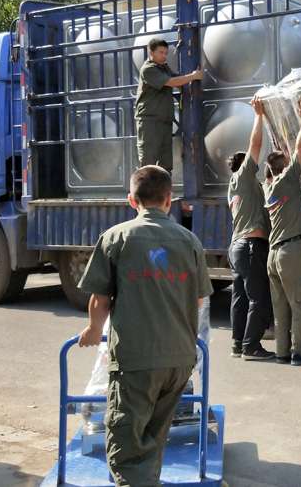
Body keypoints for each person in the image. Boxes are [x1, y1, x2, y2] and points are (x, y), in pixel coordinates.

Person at [76, 165, 212, 487]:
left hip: (136, 361)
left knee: (126, 444)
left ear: (131, 200)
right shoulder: (190, 241)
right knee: (155, 435)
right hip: (179, 359)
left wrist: (93, 330)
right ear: (169, 200)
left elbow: (100, 299)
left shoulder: (116, 237)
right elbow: (199, 301)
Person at [262, 98, 301, 365]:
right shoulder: (288, 178)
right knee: (298, 304)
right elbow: (300, 148)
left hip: (273, 254)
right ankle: (299, 352)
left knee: (280, 308)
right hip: (290, 251)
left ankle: (282, 353)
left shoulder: (268, 187)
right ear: (284, 167)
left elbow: (284, 157)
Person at [226, 98, 274, 361]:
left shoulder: (235, 189)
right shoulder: (243, 177)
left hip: (237, 246)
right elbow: (254, 145)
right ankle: (251, 347)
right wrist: (258, 115)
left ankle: (237, 343)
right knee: (259, 298)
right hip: (252, 246)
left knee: (240, 297)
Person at [135, 37, 203, 173]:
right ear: (151, 52)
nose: (164, 56)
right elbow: (171, 82)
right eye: (161, 52)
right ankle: (145, 187)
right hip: (149, 121)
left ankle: (164, 186)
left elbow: (177, 79)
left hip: (164, 121)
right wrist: (193, 76)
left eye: (166, 53)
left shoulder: (163, 68)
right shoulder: (148, 69)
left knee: (165, 163)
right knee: (148, 161)